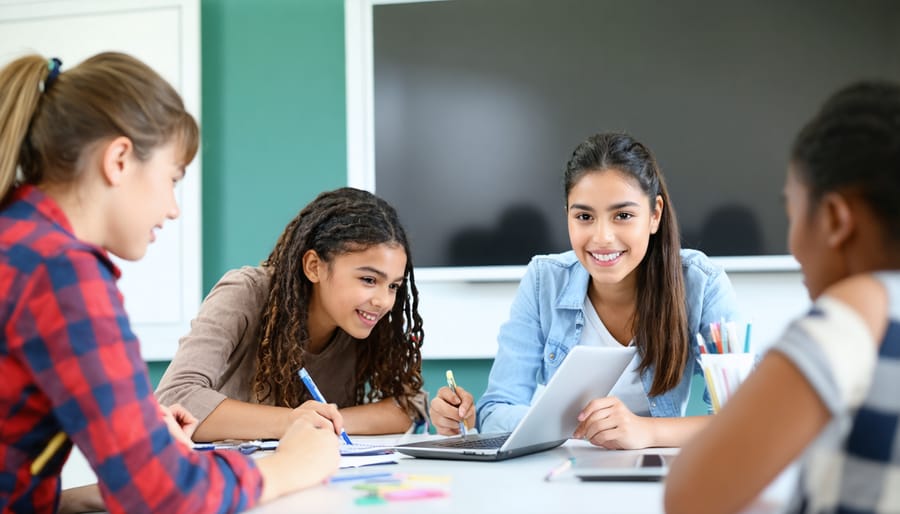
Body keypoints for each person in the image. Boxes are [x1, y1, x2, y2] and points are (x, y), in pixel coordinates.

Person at [0, 52, 339, 514]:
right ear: (119, 159)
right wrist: (291, 466)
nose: (174, 208)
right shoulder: (60, 273)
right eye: (172, 178)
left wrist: (87, 489)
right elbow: (165, 494)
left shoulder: (18, 240)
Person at [665, 81, 900, 514]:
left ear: (834, 219)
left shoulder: (859, 310)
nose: (793, 245)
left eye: (791, 213)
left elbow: (689, 495)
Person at [430, 132, 740, 448]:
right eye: (584, 217)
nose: (602, 237)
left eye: (623, 216)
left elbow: (745, 416)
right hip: (563, 473)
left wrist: (647, 431)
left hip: (655, 476)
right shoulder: (544, 281)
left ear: (654, 215)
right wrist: (566, 425)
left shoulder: (702, 284)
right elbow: (497, 409)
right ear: (567, 215)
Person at [155, 187, 427, 442]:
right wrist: (293, 421)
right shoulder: (245, 292)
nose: (383, 301)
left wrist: (328, 421)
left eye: (393, 286)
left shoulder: (363, 319)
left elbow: (410, 405)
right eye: (368, 279)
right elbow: (174, 398)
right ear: (314, 267)